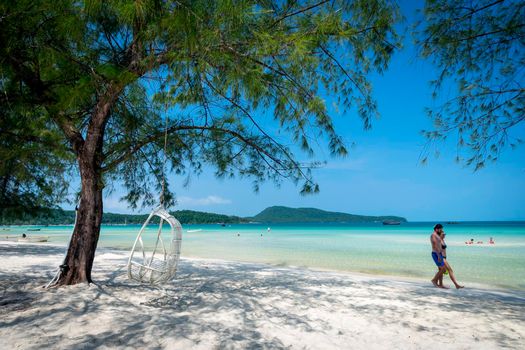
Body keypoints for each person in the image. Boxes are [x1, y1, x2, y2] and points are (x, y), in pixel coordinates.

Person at [430, 224, 447, 288]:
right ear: (436, 229)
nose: (441, 230)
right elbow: (434, 245)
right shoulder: (433, 235)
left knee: (441, 269)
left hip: (439, 254)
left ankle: (441, 284)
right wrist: (438, 255)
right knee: (443, 269)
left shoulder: (437, 235)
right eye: (440, 229)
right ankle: (434, 280)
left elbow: (440, 244)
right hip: (436, 254)